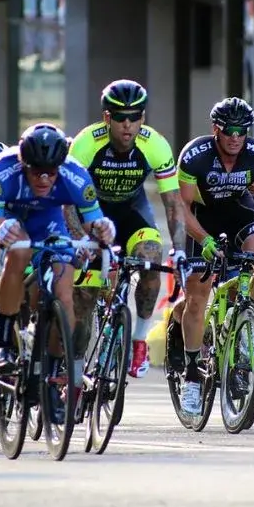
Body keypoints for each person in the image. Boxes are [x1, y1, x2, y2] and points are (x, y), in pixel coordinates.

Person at [0, 123, 116, 424]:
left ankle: (53, 377)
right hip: (12, 218)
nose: (44, 178)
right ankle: (3, 346)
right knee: (18, 252)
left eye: (51, 172)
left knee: (65, 294)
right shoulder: (0, 172)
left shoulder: (76, 176)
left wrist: (103, 229)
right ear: (22, 164)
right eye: (36, 171)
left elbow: (94, 223)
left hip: (49, 221)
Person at [169, 97, 254, 415]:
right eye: (229, 130)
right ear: (216, 129)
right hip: (201, 220)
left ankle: (248, 316)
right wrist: (203, 241)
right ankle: (192, 376)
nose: (235, 136)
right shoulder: (196, 155)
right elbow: (183, 208)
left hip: (238, 212)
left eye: (242, 130)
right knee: (197, 295)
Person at [68, 79, 187, 379]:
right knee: (84, 297)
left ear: (142, 119)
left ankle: (139, 341)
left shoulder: (155, 145)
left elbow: (173, 204)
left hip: (132, 211)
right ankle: (76, 374)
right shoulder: (85, 144)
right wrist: (80, 241)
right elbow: (67, 203)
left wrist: (181, 250)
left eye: (135, 117)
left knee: (152, 256)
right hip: (92, 215)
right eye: (120, 117)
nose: (128, 125)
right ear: (107, 118)